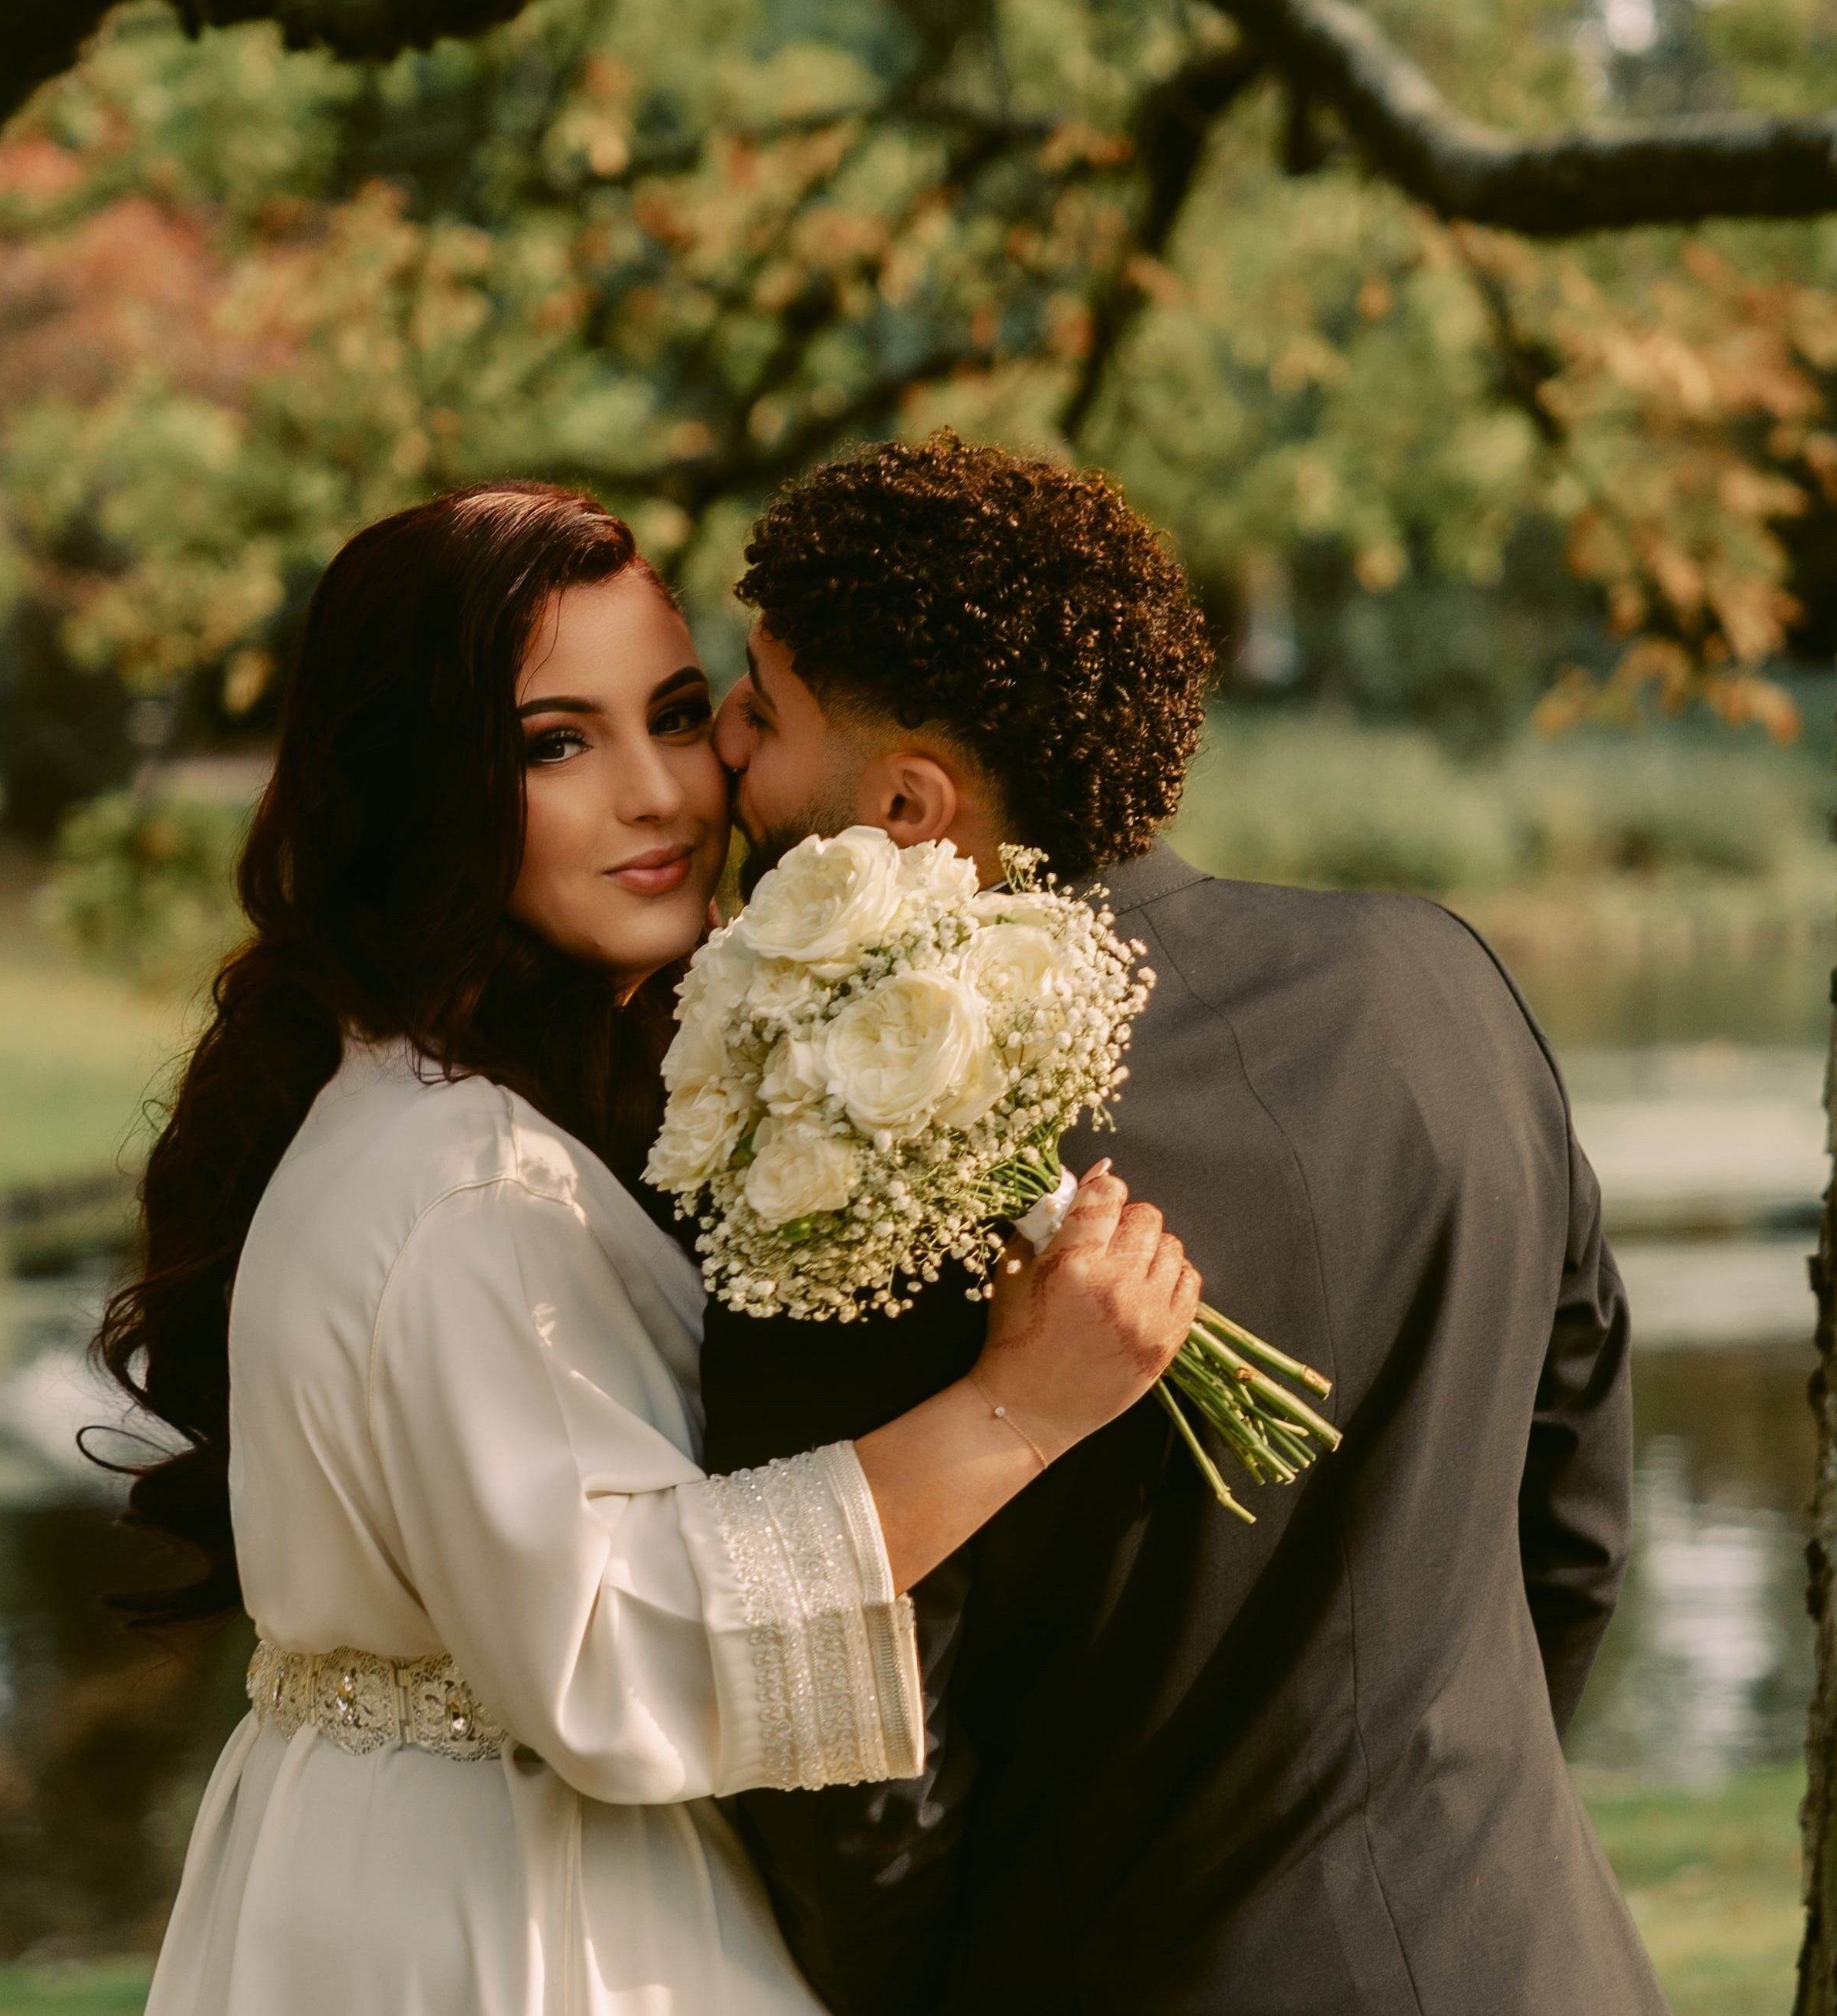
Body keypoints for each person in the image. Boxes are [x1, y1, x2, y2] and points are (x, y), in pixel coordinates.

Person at [93, 479, 1201, 2016]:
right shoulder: (471, 1191)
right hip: (509, 1914)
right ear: (427, 785)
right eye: (558, 742)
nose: (662, 794)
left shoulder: (438, 1107)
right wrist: (1016, 1412)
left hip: (399, 1870)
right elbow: (619, 1640)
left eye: (678, 716)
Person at [699, 434, 1670, 2016]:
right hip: (1534, 1956)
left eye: (763, 703)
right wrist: (1445, 1826)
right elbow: (1577, 1514)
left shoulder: (850, 1140)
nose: (725, 744)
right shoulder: (1445, 981)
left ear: (905, 799)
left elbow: (851, 1736)